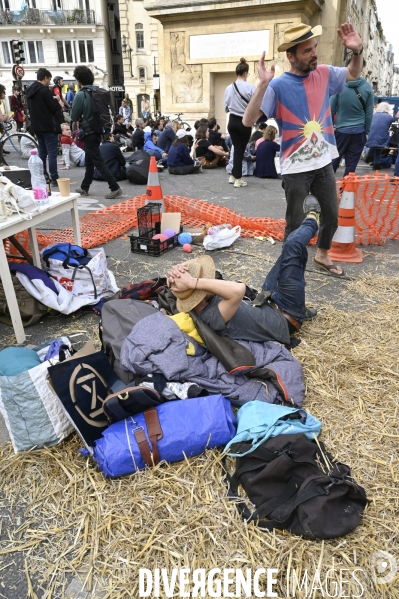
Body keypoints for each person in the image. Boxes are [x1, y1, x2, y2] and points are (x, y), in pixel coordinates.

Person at [243, 22, 365, 277]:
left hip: (322, 162)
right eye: (307, 50)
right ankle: (290, 266)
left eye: (314, 48)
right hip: (295, 166)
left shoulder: (324, 73)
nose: (314, 53)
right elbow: (248, 120)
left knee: (331, 214)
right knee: (295, 222)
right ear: (291, 56)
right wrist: (263, 85)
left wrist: (357, 51)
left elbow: (353, 74)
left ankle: (322, 255)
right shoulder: (277, 86)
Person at [167, 196, 321, 347]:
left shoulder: (203, 300)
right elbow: (238, 290)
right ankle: (313, 219)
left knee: (292, 250)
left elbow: (200, 263)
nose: (209, 280)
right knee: (293, 245)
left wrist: (178, 269)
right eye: (203, 282)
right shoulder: (210, 317)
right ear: (198, 291)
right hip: (286, 315)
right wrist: (192, 282)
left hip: (268, 300)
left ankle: (301, 308)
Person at [70, 65, 122, 199]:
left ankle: (114, 187)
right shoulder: (97, 91)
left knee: (98, 161)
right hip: (98, 130)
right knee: (89, 161)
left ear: (79, 80)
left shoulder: (81, 94)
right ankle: (84, 186)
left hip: (88, 132)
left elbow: (73, 116)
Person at [330, 63, 374, 177]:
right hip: (359, 131)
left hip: (341, 131)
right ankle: (346, 192)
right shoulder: (367, 87)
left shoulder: (339, 85)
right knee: (351, 165)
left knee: (333, 161)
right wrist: (367, 132)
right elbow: (369, 114)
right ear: (362, 69)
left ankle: (325, 191)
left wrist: (328, 129)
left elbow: (330, 108)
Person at [26, 67, 62, 186]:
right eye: (49, 79)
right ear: (45, 78)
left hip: (37, 126)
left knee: (42, 152)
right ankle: (54, 178)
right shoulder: (44, 91)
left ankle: (42, 175)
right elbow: (52, 107)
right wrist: (56, 100)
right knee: (52, 153)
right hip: (48, 126)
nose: (49, 82)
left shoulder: (30, 90)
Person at [224, 58, 256, 188]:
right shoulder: (250, 87)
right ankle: (238, 178)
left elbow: (225, 107)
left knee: (236, 148)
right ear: (245, 73)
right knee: (240, 150)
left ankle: (233, 175)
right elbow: (254, 106)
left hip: (232, 120)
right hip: (244, 121)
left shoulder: (228, 87)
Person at [365, 102, 394, 170]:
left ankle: (369, 157)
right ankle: (376, 163)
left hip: (370, 136)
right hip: (381, 138)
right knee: (379, 144)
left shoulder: (372, 115)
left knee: (375, 143)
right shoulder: (390, 117)